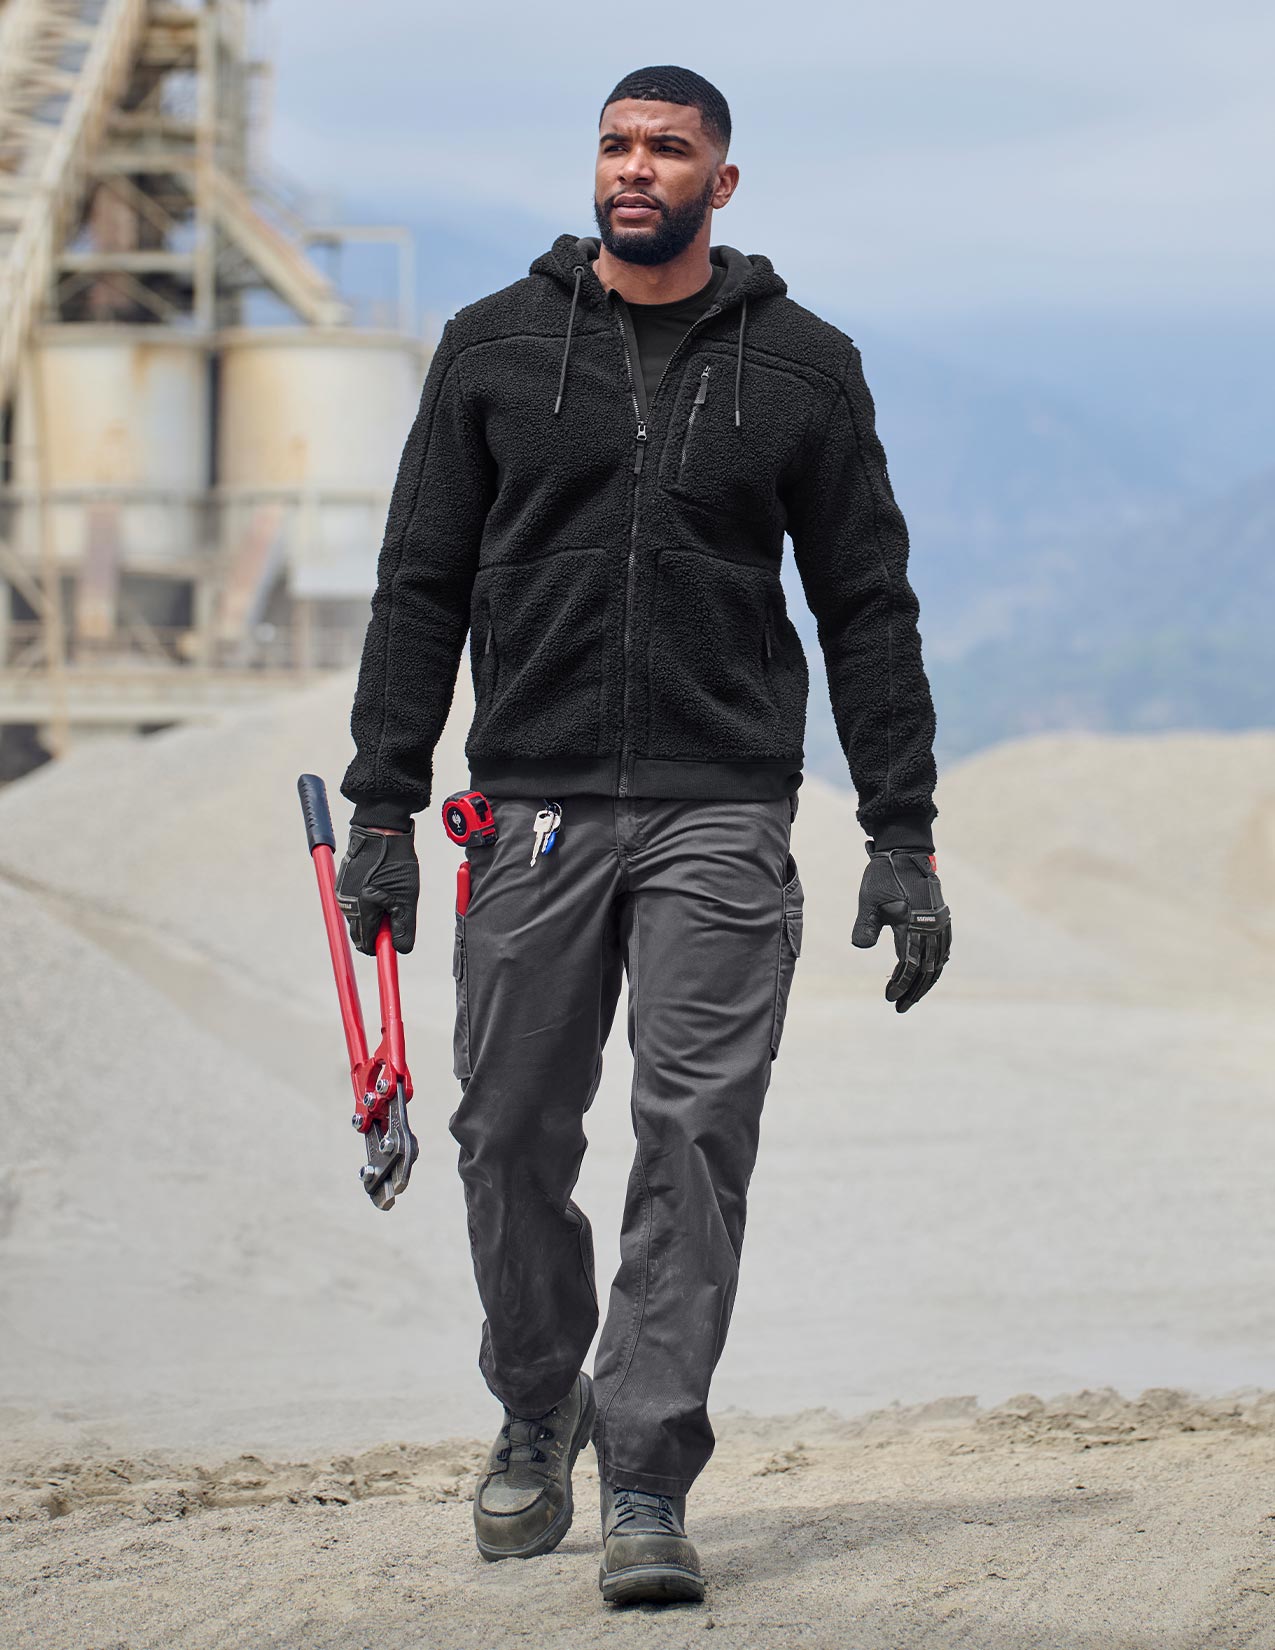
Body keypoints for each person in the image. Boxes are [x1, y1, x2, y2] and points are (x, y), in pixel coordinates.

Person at [335, 63, 952, 1607]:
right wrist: (383, 806)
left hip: (722, 807)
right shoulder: (491, 347)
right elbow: (418, 583)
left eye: (668, 148)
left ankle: (650, 1471)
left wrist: (903, 832)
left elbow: (867, 605)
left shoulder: (803, 370)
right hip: (530, 811)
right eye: (615, 143)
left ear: (719, 184)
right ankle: (538, 1403)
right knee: (508, 1131)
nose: (634, 166)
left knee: (695, 1133)